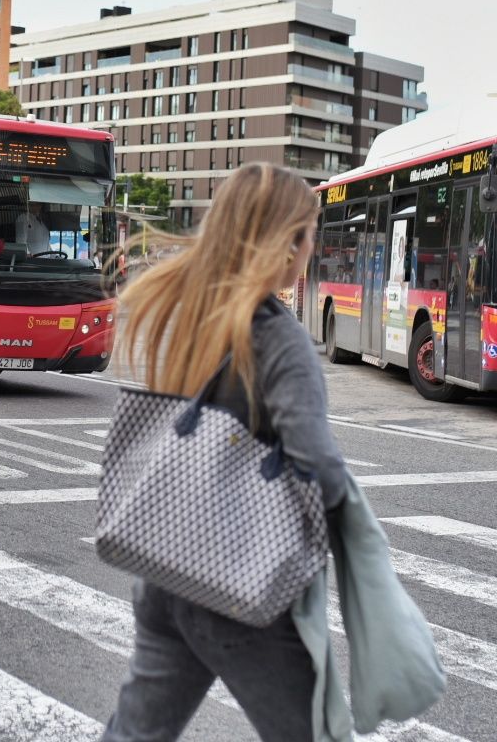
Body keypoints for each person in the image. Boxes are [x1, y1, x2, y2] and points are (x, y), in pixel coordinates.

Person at [101, 162, 348, 742]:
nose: (310, 251)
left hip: (166, 567)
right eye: (309, 236)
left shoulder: (186, 309)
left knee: (136, 735)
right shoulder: (278, 337)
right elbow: (314, 459)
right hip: (236, 581)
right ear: (287, 244)